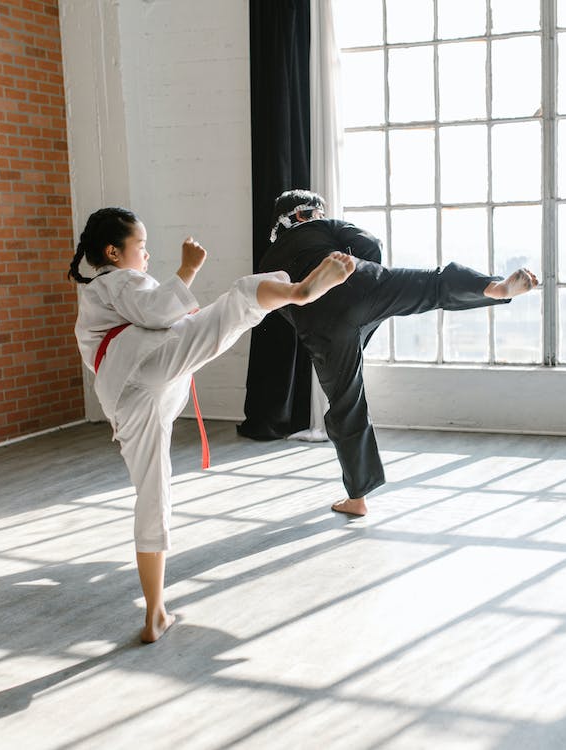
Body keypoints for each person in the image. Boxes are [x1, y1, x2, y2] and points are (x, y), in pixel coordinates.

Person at [69, 206, 354, 643]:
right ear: (112, 251)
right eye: (140, 247)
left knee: (152, 490)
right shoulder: (116, 280)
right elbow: (159, 310)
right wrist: (186, 270)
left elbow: (145, 322)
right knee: (239, 299)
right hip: (148, 366)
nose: (146, 256)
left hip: (125, 396)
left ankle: (155, 613)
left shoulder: (93, 298)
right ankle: (297, 292)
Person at [257, 189, 539, 518]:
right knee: (433, 284)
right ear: (305, 214)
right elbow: (370, 244)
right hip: (361, 285)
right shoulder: (321, 226)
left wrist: (324, 333)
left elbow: (281, 306)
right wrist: (369, 285)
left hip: (319, 325)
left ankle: (358, 497)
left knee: (346, 403)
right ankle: (494, 287)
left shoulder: (268, 261)